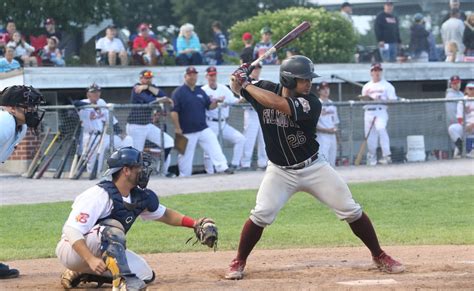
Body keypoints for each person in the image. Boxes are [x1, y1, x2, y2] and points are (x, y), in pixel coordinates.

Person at [225, 55, 405, 280]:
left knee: (350, 209)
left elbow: (275, 103)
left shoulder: (311, 102)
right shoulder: (263, 88)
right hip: (280, 171)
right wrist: (238, 76)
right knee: (261, 213)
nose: (310, 83)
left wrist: (247, 83)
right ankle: (239, 260)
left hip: (314, 167)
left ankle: (379, 255)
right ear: (289, 80)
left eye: (310, 79)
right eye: (304, 79)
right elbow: (236, 86)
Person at [56, 146, 215, 289]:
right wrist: (89, 258)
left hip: (98, 250)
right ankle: (120, 284)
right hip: (72, 250)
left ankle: (84, 273)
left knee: (145, 275)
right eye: (138, 166)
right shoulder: (98, 195)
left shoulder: (137, 197)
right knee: (112, 228)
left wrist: (194, 224)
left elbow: (165, 214)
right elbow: (71, 230)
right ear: (126, 170)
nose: (143, 170)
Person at [0, 85, 45, 279]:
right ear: (10, 107)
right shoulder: (4, 121)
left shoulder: (20, 126)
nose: (32, 111)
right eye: (27, 106)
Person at [170, 66, 233, 176]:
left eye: (194, 74)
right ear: (185, 76)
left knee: (214, 144)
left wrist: (217, 101)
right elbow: (174, 112)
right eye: (190, 74)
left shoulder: (200, 91)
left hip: (202, 128)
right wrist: (177, 128)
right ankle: (184, 176)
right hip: (185, 130)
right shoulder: (178, 92)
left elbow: (209, 106)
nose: (192, 76)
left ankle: (223, 167)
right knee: (184, 155)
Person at [126, 70, 175, 177]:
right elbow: (149, 100)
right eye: (146, 78)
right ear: (141, 78)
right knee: (136, 153)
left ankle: (161, 171)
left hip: (147, 125)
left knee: (169, 142)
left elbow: (162, 94)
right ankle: (133, 176)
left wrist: (148, 87)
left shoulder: (151, 88)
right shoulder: (136, 88)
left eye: (150, 78)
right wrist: (160, 98)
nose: (148, 80)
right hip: (136, 125)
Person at [76, 83, 133, 174]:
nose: (96, 94)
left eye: (98, 92)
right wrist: (92, 105)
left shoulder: (101, 102)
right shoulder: (84, 103)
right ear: (88, 94)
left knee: (127, 140)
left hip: (104, 136)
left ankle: (126, 170)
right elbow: (75, 103)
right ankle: (93, 176)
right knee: (93, 164)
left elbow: (112, 120)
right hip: (91, 137)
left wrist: (120, 132)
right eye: (93, 92)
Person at [202, 66, 245, 173]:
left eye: (214, 75)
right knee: (208, 149)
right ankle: (210, 172)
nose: (213, 77)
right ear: (206, 76)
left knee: (240, 139)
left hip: (223, 123)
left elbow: (235, 102)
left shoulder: (223, 88)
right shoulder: (203, 90)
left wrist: (244, 97)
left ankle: (235, 164)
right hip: (210, 122)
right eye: (210, 75)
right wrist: (216, 101)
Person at [361, 63, 398, 166]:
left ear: (381, 72)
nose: (376, 72)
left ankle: (386, 155)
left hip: (380, 110)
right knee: (370, 137)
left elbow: (393, 101)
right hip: (368, 112)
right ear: (371, 72)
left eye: (378, 70)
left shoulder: (387, 85)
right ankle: (372, 158)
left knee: (381, 129)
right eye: (374, 70)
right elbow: (363, 101)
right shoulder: (366, 86)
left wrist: (381, 100)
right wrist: (367, 99)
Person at [239, 63, 268, 170]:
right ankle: (245, 163)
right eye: (255, 68)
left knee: (264, 139)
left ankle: (263, 163)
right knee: (249, 139)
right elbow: (242, 99)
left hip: (262, 112)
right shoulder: (245, 81)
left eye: (259, 68)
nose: (257, 70)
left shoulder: (263, 81)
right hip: (251, 113)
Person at [316, 82, 339, 167]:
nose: (326, 90)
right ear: (319, 91)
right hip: (322, 136)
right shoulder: (317, 103)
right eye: (323, 89)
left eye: (327, 88)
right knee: (324, 161)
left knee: (332, 161)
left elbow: (335, 122)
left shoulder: (332, 104)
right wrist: (326, 130)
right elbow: (315, 125)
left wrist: (337, 137)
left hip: (332, 136)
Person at [448, 81, 474, 158]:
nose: (472, 91)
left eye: (473, 89)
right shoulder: (462, 100)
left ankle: (472, 150)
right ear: (466, 90)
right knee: (452, 128)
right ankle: (461, 147)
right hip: (465, 125)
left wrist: (472, 125)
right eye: (470, 89)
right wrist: (464, 126)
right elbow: (459, 117)